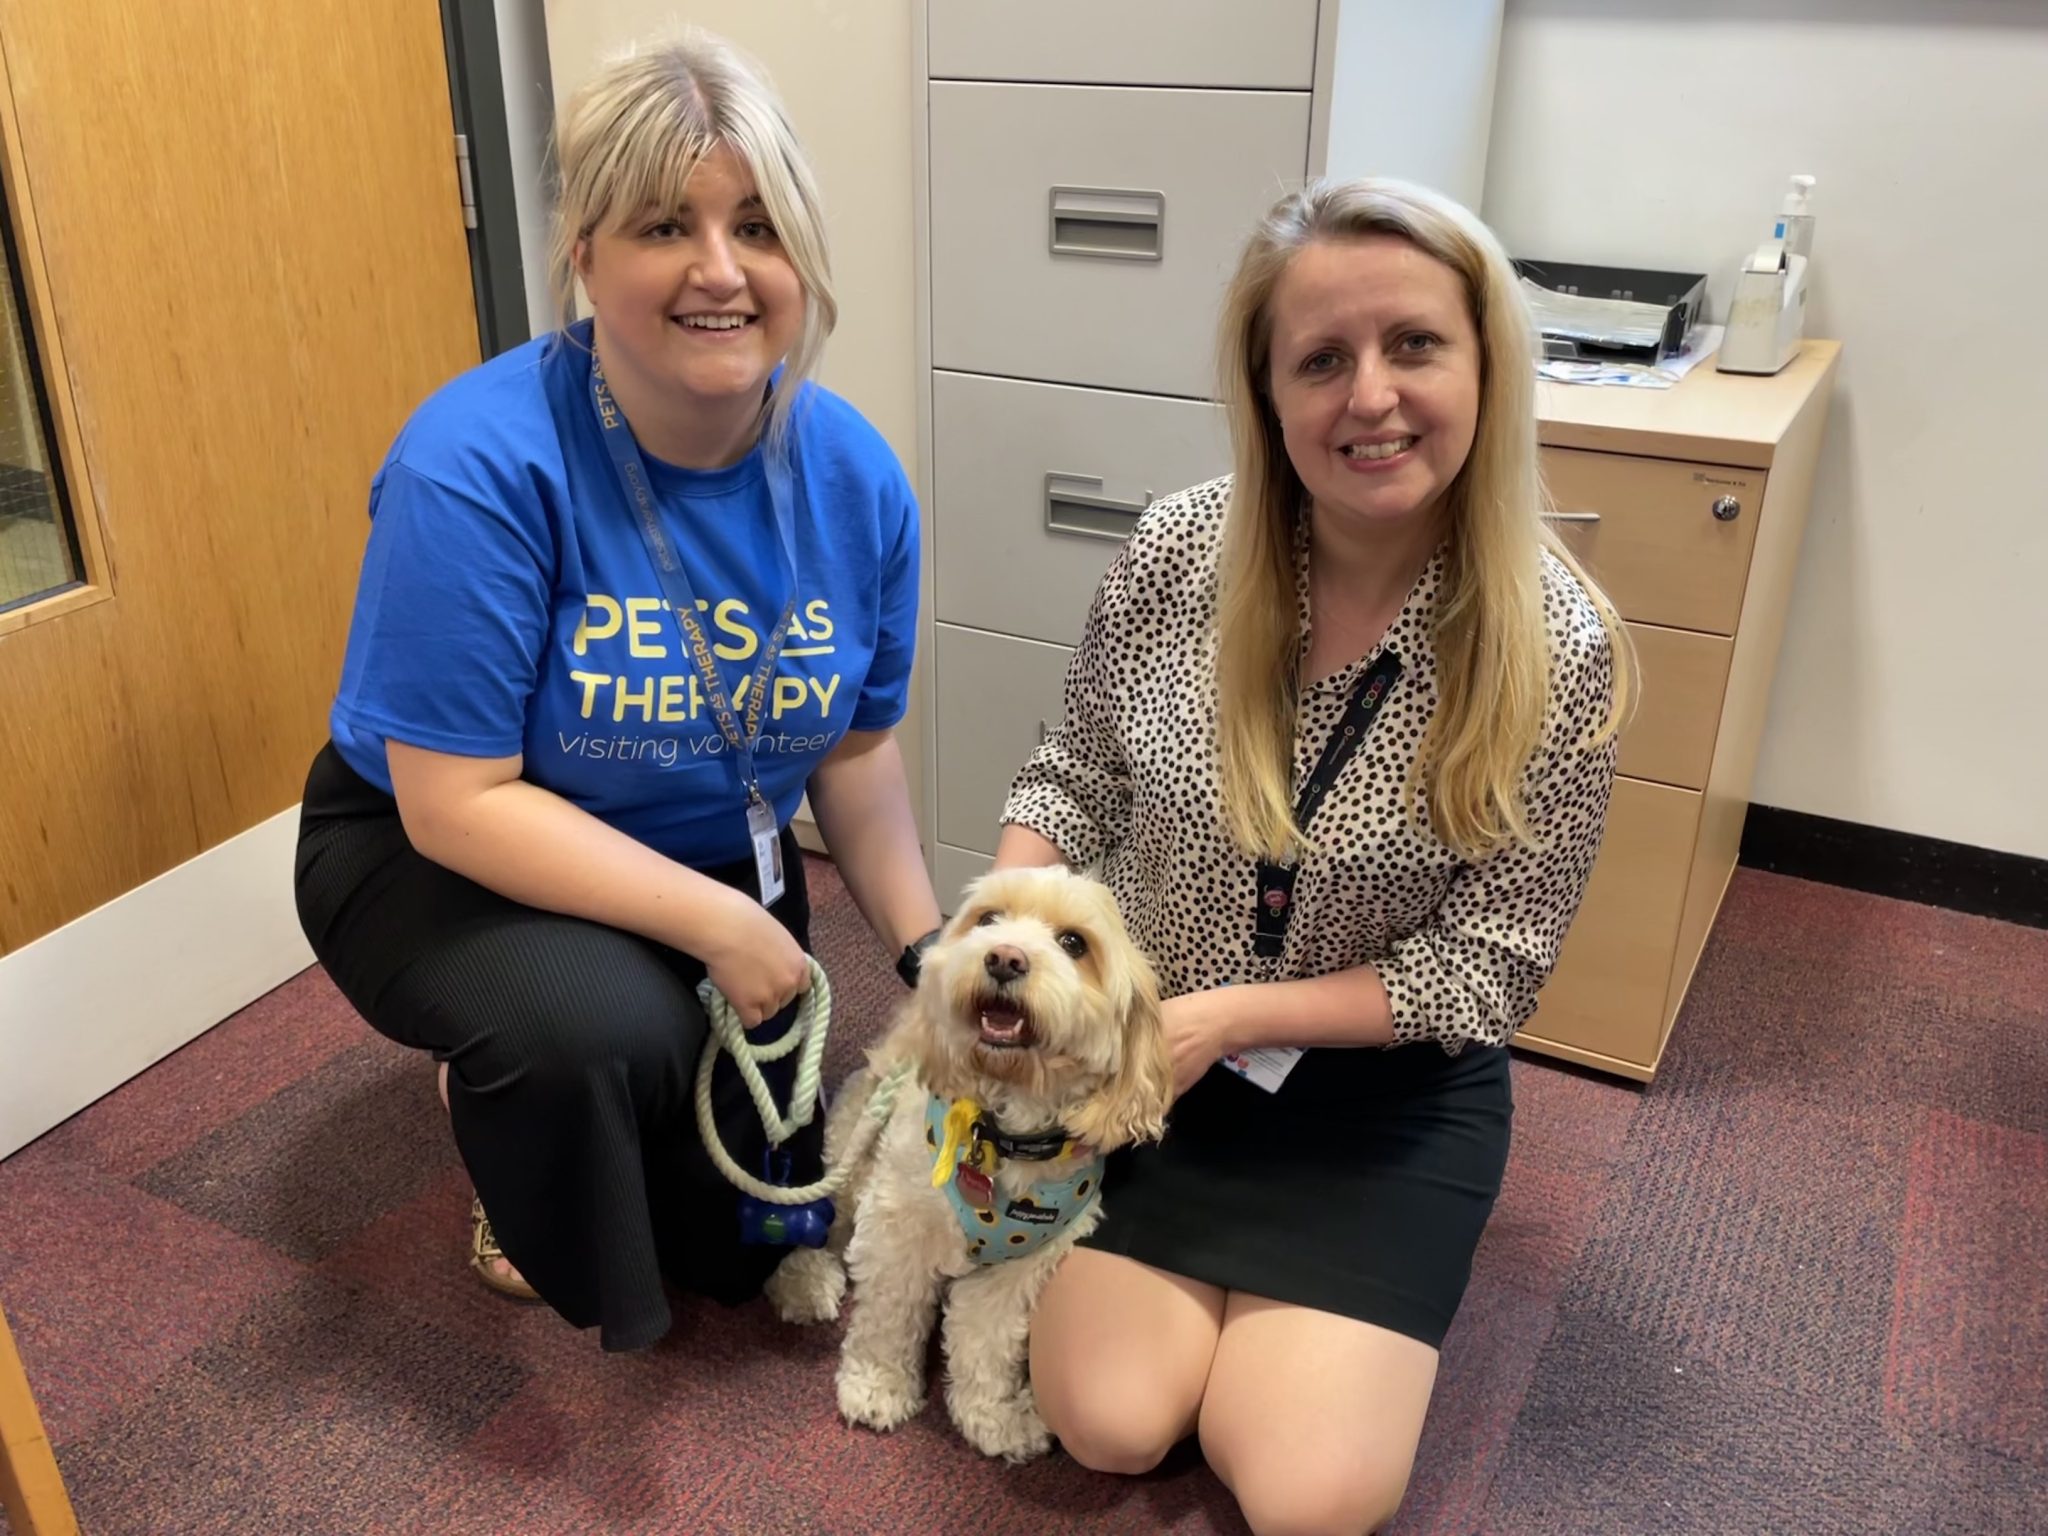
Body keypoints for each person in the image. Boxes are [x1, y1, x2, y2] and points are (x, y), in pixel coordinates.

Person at [995, 177, 1635, 1534]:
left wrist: (1239, 1018)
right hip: (1156, 1066)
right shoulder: (1176, 554)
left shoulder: (1554, 647)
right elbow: (1077, 773)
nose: (1371, 398)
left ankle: (1314, 1323)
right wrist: (1005, 930)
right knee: (1109, 1423)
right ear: (1269, 391)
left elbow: (1488, 973)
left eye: (1414, 346)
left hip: (1382, 1095)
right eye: (1322, 360)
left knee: (1304, 1495)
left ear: (1484, 364)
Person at [292, 34, 941, 1353]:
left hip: (710, 840)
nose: (719, 269)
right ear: (583, 254)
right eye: (664, 224)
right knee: (602, 1038)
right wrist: (717, 926)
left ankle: (594, 1057)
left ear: (801, 257)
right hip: (450, 848)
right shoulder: (473, 464)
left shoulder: (856, 476)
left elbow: (857, 753)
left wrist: (928, 959)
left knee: (749, 1246)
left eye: (756, 226)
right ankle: (499, 1099)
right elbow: (456, 801)